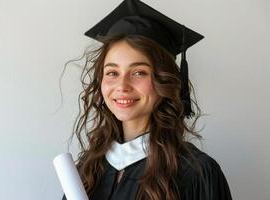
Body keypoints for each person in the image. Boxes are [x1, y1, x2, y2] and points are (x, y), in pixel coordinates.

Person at [63, 0, 232, 199]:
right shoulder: (87, 169)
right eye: (112, 72)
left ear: (165, 80)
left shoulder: (196, 173)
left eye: (139, 72)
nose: (122, 85)